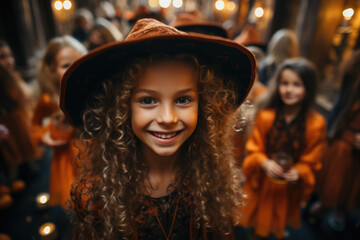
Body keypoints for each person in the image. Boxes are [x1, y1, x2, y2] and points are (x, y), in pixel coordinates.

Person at [60, 18, 256, 239]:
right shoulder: (97, 196)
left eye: (183, 100)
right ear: (121, 108)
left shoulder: (210, 177)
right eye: (147, 101)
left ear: (204, 105)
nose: (168, 118)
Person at [239, 58, 326, 239]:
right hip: (262, 184)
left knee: (279, 221)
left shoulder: (316, 124)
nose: (289, 89)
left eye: (297, 84)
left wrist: (300, 171)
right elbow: (254, 148)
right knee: (257, 226)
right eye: (284, 83)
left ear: (308, 88)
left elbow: (312, 158)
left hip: (287, 187)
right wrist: (263, 162)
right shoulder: (266, 117)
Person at [33, 35, 87, 208]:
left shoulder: (92, 90)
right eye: (65, 65)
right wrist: (44, 137)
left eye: (79, 62)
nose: (73, 69)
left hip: (93, 153)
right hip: (67, 161)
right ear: (52, 70)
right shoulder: (48, 100)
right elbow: (35, 124)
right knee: (78, 202)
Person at [313, 50, 360, 231]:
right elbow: (342, 104)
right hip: (345, 137)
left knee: (351, 188)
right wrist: (332, 130)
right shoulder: (355, 69)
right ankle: (325, 207)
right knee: (333, 182)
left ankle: (338, 210)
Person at [0, 65, 36, 209]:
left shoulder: (12, 78)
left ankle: (26, 169)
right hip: (4, 120)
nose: (8, 61)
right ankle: (9, 183)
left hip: (15, 117)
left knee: (23, 144)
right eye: (2, 57)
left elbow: (24, 97)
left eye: (9, 56)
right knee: (10, 151)